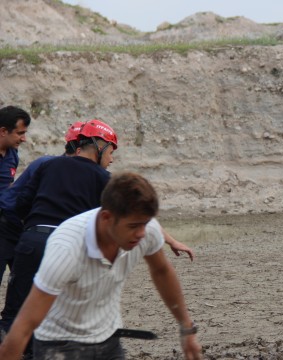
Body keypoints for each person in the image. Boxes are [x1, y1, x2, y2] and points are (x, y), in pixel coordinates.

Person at [0, 172, 202, 360]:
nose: (142, 233)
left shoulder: (147, 230)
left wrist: (186, 327)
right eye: (133, 226)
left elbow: (162, 271)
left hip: (109, 339)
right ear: (107, 217)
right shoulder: (67, 247)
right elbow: (25, 325)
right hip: (59, 345)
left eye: (145, 223)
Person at [0, 121, 81, 290]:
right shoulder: (47, 165)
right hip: (9, 228)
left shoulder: (83, 174)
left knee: (28, 289)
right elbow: (14, 201)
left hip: (26, 233)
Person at [0, 106, 31, 286]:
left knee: (22, 276)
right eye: (20, 133)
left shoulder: (12, 153)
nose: (24, 138)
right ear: (4, 131)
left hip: (9, 222)